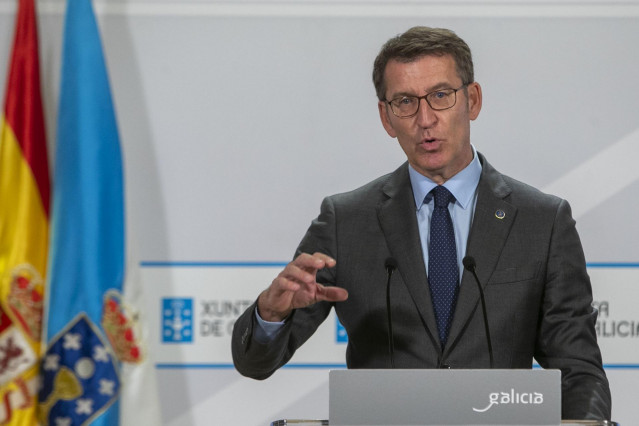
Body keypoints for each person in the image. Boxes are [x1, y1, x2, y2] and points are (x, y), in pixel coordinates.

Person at [231, 26, 612, 420]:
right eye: (405, 102)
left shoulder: (542, 222)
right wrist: (271, 315)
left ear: (473, 100)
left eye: (441, 96)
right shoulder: (346, 222)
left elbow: (577, 371)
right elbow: (255, 363)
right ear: (386, 116)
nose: (425, 119)